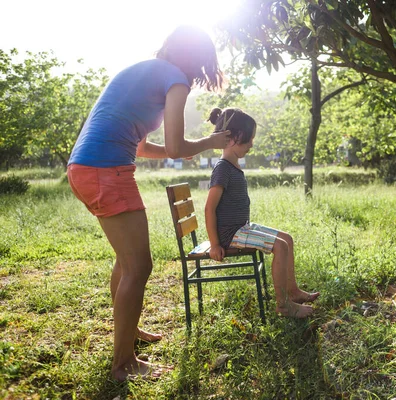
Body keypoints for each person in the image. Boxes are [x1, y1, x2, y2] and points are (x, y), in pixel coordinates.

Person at [67, 25, 230, 381]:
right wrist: (209, 142)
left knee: (126, 263)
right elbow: (175, 147)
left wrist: (185, 149)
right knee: (139, 267)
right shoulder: (176, 79)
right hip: (106, 169)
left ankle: (128, 333)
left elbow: (143, 146)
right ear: (199, 59)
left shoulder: (142, 70)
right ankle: (122, 364)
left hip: (83, 168)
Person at [204, 107, 320, 319]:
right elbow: (209, 208)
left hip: (241, 227)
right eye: (248, 140)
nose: (251, 145)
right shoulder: (222, 168)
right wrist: (214, 244)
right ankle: (284, 305)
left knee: (287, 239)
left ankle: (293, 292)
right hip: (230, 234)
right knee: (280, 246)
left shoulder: (232, 166)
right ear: (232, 138)